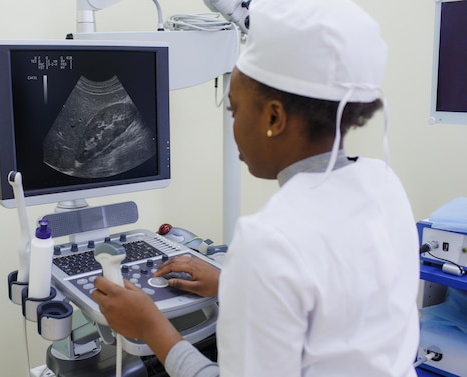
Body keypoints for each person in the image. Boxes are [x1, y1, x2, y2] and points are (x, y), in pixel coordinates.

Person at [91, 0, 421, 376]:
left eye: (234, 110)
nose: (232, 126)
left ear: (274, 117)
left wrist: (149, 327)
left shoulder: (269, 239)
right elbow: (338, 307)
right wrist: (231, 283)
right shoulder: (383, 182)